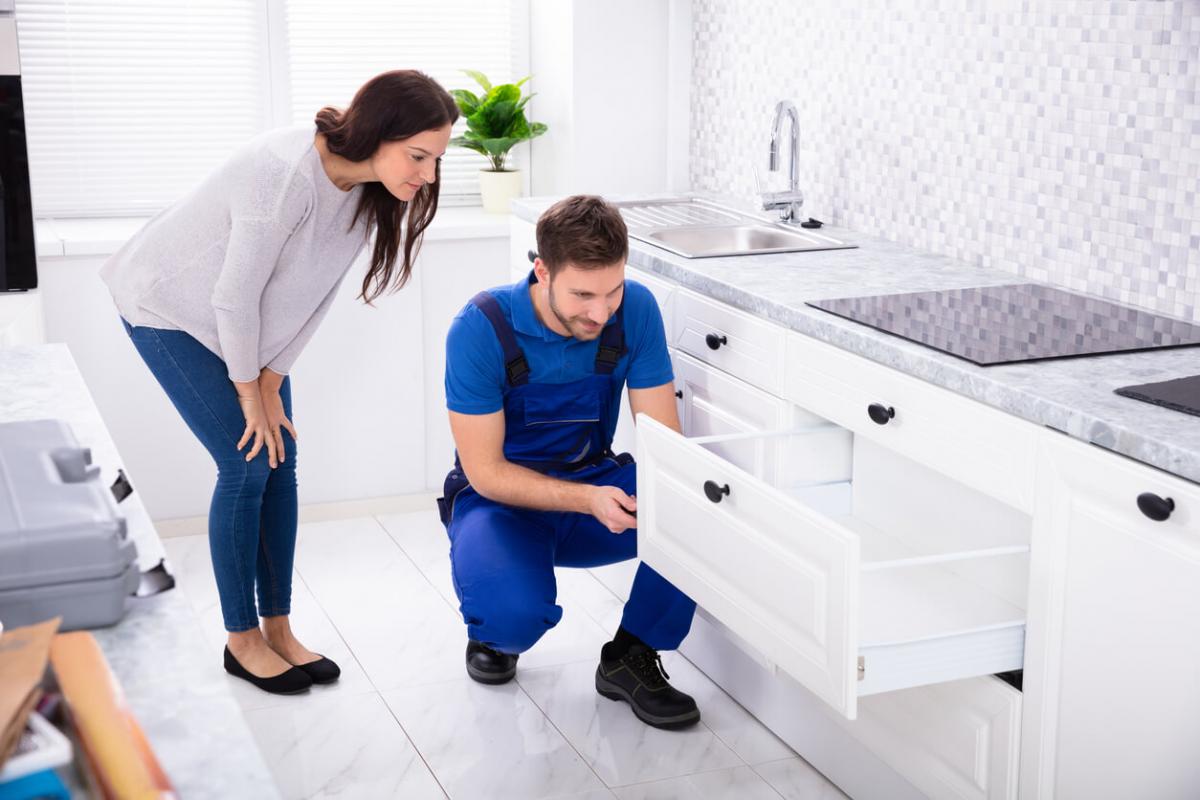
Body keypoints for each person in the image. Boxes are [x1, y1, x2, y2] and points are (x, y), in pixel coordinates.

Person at [100, 70, 457, 695]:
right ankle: (241, 641)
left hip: (241, 322)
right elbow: (233, 298)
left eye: (436, 160)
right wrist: (249, 392)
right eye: (418, 156)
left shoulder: (368, 190)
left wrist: (270, 380)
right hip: (167, 306)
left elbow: (311, 299)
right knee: (245, 466)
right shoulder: (285, 175)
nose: (427, 175)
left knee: (280, 458)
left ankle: (279, 629)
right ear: (378, 131)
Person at [439, 195, 700, 729]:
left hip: (593, 487)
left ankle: (631, 655)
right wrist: (586, 499)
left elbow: (663, 444)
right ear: (542, 270)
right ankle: (495, 625)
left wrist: (662, 501)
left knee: (694, 506)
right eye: (582, 294)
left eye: (612, 290)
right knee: (514, 617)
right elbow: (485, 472)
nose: (600, 313)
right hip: (499, 503)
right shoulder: (480, 328)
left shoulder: (637, 311)